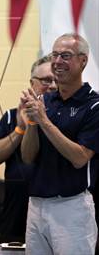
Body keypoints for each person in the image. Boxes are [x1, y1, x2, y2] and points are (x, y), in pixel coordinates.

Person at [21, 33, 99, 254]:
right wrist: (32, 123)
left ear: (83, 61)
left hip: (71, 207)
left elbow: (79, 158)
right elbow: (28, 156)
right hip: (36, 204)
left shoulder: (93, 106)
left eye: (65, 56)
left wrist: (44, 121)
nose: (57, 62)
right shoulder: (45, 101)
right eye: (55, 55)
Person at [0, 55, 57, 237]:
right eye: (47, 80)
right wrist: (20, 129)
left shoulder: (70, 117)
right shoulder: (11, 117)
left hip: (58, 217)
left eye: (57, 79)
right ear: (32, 83)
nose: (53, 85)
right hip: (16, 218)